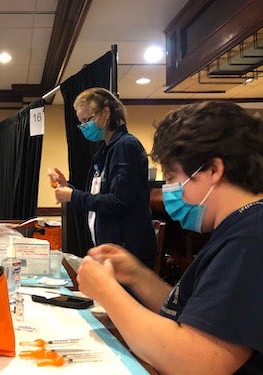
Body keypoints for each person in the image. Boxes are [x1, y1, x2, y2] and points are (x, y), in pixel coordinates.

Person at [77, 100, 263, 374]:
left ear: (213, 170)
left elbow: (197, 363)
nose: (167, 190)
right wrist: (137, 276)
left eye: (173, 177)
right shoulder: (238, 228)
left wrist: (107, 291)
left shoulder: (250, 238)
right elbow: (196, 314)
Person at [52, 87, 156, 268]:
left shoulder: (126, 146)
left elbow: (119, 201)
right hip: (110, 250)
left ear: (106, 113)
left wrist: (73, 196)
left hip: (128, 254)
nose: (85, 126)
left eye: (87, 120)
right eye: (81, 122)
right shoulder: (105, 151)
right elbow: (98, 197)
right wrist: (68, 187)